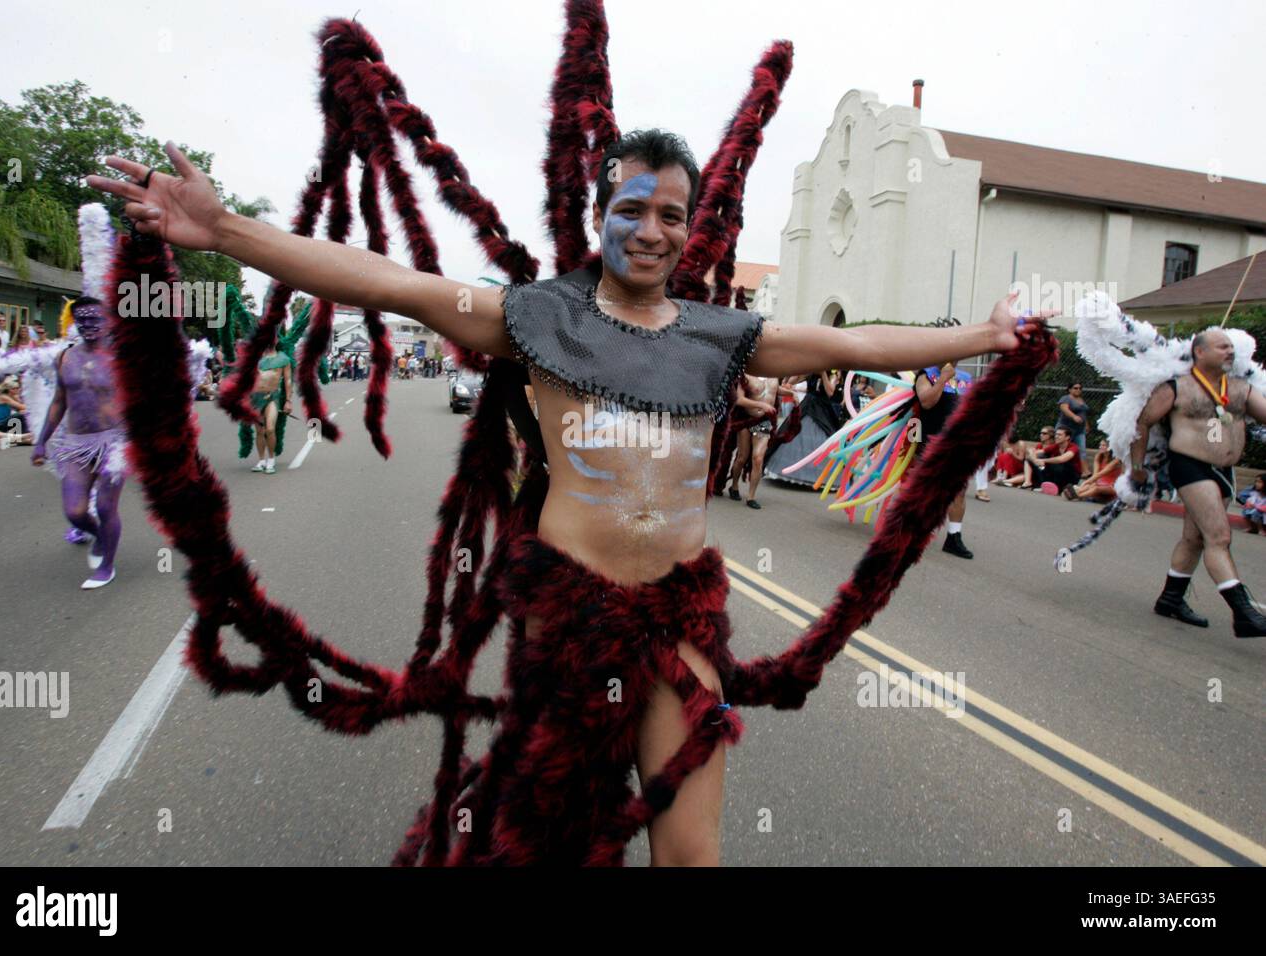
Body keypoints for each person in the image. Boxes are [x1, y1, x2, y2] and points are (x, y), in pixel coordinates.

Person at [92, 124, 1047, 864]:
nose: (652, 229)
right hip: (569, 619)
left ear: (689, 228)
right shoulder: (536, 316)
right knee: (552, 840)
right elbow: (389, 281)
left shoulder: (722, 337)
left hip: (681, 620)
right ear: (603, 216)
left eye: (673, 214)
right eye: (633, 208)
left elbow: (855, 347)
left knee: (693, 850)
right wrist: (220, 230)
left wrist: (978, 337)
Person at [1133, 328, 1266, 637]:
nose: (1230, 352)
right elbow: (1143, 422)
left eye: (1232, 347)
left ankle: (1170, 599)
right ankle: (1243, 613)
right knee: (1218, 538)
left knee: (1194, 539)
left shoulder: (1241, 388)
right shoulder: (1176, 388)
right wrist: (1138, 467)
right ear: (1200, 352)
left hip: (1224, 472)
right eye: (1222, 347)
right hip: (1189, 466)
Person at [31, 297, 127, 589]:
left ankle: (107, 566)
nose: (88, 325)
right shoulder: (65, 357)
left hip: (114, 443)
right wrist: (40, 442)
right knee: (74, 511)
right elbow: (59, 402)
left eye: (94, 319)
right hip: (76, 444)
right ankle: (99, 535)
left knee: (106, 506)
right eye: (82, 320)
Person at [914, 363, 974, 557]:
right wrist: (943, 378)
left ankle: (953, 537)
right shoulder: (926, 374)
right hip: (930, 441)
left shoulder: (966, 378)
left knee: (959, 490)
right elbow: (926, 402)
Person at [726, 374, 783, 509]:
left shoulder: (774, 374)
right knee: (742, 457)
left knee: (757, 458)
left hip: (764, 421)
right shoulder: (746, 375)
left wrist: (791, 393)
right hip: (746, 419)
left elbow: (775, 390)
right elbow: (739, 399)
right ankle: (734, 485)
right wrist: (760, 404)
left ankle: (751, 496)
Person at [249, 345, 293, 474]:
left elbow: (288, 380)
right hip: (255, 398)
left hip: (272, 397)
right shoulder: (256, 357)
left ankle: (271, 459)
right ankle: (261, 460)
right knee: (259, 431)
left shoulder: (283, 359)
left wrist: (288, 401)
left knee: (270, 429)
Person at [1056, 382, 1089, 453]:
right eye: (1075, 388)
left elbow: (1083, 413)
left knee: (1081, 452)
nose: (1078, 390)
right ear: (1070, 389)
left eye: (1080, 388)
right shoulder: (1066, 398)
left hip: (1079, 430)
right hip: (1066, 430)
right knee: (1061, 450)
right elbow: (1064, 409)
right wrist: (1074, 417)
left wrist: (1086, 424)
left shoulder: (1081, 399)